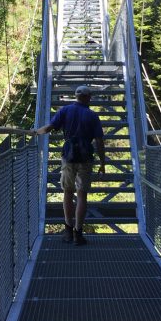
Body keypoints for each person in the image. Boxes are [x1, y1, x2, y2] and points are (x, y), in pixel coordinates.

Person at [33, 85, 106, 245]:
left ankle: (67, 230)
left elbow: (50, 127)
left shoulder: (65, 111)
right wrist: (102, 162)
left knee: (67, 192)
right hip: (85, 158)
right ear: (88, 97)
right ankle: (78, 233)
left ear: (76, 96)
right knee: (82, 195)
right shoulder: (93, 116)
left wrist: (35, 132)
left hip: (68, 157)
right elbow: (99, 141)